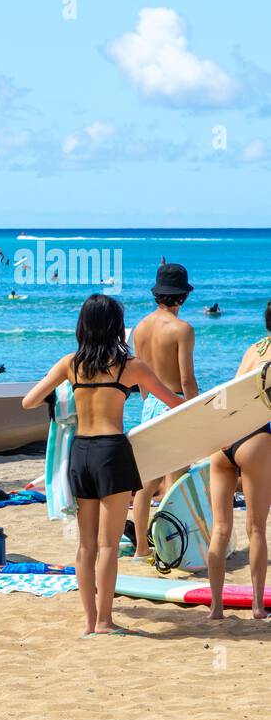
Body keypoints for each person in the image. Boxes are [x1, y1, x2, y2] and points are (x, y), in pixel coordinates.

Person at [22, 294, 182, 636]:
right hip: (112, 452)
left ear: (84, 325)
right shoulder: (131, 366)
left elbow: (29, 400)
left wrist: (63, 397)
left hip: (80, 453)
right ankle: (106, 621)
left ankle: (89, 622)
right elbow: (171, 400)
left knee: (86, 545)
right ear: (115, 327)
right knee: (109, 545)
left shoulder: (70, 364)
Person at [129, 263, 200, 557]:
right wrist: (196, 411)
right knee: (176, 479)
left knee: (147, 482)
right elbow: (186, 379)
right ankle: (172, 547)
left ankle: (141, 548)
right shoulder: (182, 330)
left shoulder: (140, 328)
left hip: (149, 405)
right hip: (175, 403)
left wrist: (149, 400)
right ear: (182, 297)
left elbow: (139, 376)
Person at [207, 299, 271, 619]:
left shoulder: (254, 348)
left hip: (223, 443)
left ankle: (216, 609)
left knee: (220, 528)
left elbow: (230, 393)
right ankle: (258, 607)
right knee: (256, 528)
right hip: (256, 440)